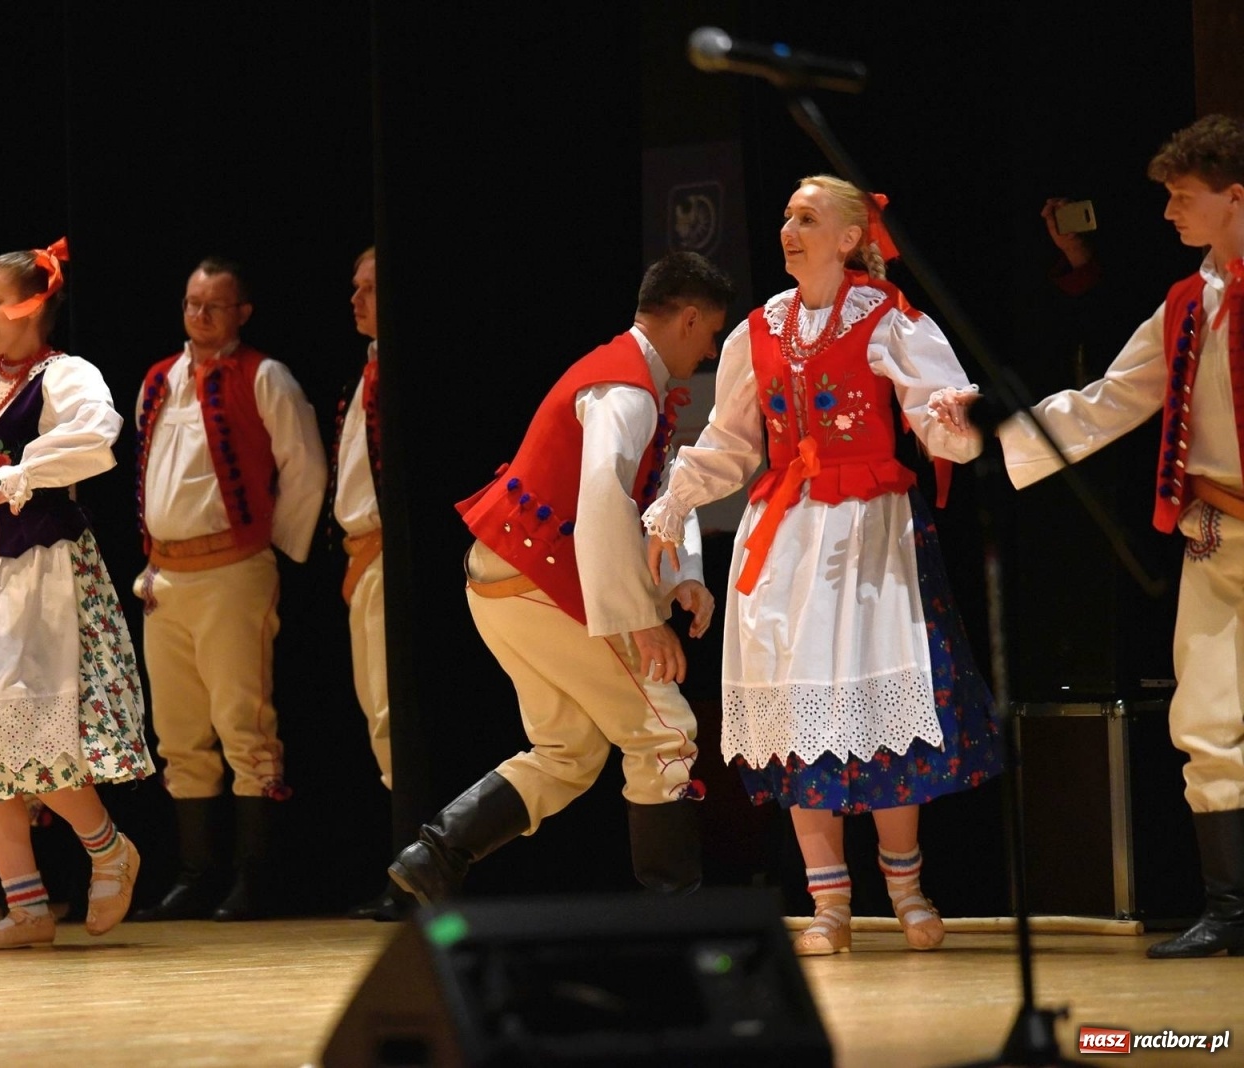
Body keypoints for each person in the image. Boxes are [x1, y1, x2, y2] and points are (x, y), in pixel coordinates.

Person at [643, 176, 1004, 957]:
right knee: (795, 713)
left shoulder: (888, 320)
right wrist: (674, 503)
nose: (787, 228)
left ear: (849, 238)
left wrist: (954, 421)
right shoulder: (759, 331)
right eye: (784, 216)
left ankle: (907, 889)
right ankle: (828, 904)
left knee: (880, 706)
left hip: (869, 533)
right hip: (788, 538)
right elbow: (733, 442)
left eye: (806, 217)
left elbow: (943, 425)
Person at [936, 114, 1242, 958]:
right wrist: (990, 437)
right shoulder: (1187, 303)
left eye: (1184, 197)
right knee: (1207, 717)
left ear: (1235, 196)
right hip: (1218, 532)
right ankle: (1230, 908)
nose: (1170, 212)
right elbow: (1111, 399)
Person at [386, 250, 728, 906]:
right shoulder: (626, 391)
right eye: (711, 333)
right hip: (538, 584)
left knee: (567, 750)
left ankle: (436, 853)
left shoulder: (622, 377)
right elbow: (603, 500)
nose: (710, 349)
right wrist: (642, 621)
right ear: (688, 318)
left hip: (500, 583)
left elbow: (649, 492)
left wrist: (679, 574)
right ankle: (675, 914)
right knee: (664, 732)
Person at [0, 238, 151, 950]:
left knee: (31, 727)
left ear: (33, 304)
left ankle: (108, 849)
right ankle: (27, 906)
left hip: (39, 569)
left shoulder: (64, 375)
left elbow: (99, 433)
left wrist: (26, 472)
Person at [129, 256, 328, 923]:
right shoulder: (159, 380)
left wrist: (271, 553)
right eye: (192, 304)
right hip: (167, 575)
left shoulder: (264, 376)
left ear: (242, 311)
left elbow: (304, 468)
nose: (201, 316)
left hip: (232, 573)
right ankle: (195, 875)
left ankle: (256, 877)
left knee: (243, 725)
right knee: (179, 733)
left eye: (215, 305)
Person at [333, 246, 411, 921]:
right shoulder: (368, 369)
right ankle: (407, 867)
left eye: (369, 288)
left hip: (387, 556)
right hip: (363, 557)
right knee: (375, 717)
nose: (355, 299)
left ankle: (415, 874)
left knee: (393, 716)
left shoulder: (396, 369)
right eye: (353, 288)